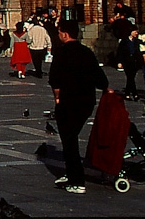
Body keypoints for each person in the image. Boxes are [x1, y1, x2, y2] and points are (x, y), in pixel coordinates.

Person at [48, 19, 110, 194]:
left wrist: (57, 99)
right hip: (86, 102)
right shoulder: (86, 52)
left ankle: (77, 180)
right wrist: (107, 89)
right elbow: (101, 79)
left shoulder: (61, 53)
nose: (59, 35)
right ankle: (71, 173)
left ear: (65, 34)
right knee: (71, 138)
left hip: (68, 102)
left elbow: (55, 80)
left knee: (69, 141)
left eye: (59, 32)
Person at [117, 24, 144, 99]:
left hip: (135, 62)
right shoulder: (124, 41)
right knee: (130, 77)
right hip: (126, 61)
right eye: (135, 31)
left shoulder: (137, 41)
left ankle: (128, 94)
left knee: (131, 78)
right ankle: (134, 94)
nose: (136, 33)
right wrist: (119, 62)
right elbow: (120, 52)